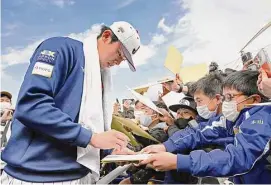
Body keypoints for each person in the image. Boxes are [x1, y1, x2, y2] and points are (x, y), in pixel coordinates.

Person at [1, 21, 141, 184]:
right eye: (119, 53)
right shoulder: (60, 48)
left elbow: (90, 124)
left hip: (79, 174)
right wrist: (90, 137)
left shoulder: (99, 77)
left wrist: (111, 151)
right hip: (37, 175)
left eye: (123, 59)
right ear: (106, 36)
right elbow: (32, 105)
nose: (118, 62)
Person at [140, 70, 271, 184]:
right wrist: (165, 146)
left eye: (230, 97)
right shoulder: (232, 118)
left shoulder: (263, 119)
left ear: (254, 99)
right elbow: (199, 132)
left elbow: (239, 158)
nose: (225, 102)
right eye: (224, 97)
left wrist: (178, 161)